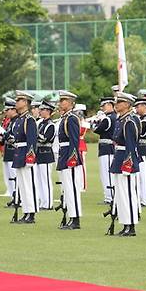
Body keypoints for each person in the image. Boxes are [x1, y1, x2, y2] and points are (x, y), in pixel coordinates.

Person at [109, 92, 141, 236]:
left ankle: (131, 225)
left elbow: (131, 144)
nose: (117, 105)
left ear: (127, 104)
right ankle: (125, 223)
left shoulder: (129, 120)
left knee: (128, 193)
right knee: (121, 194)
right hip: (119, 156)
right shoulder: (121, 119)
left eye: (120, 102)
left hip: (125, 159)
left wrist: (128, 164)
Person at [10, 91, 39, 224]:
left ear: (26, 102)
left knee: (29, 185)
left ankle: (31, 213)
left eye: (19, 100)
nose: (16, 103)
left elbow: (32, 140)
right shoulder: (20, 119)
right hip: (19, 153)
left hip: (26, 154)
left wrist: (30, 157)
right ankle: (26, 211)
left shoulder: (29, 119)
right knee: (22, 185)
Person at [57, 90, 84, 229]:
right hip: (64, 154)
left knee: (72, 188)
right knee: (67, 188)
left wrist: (72, 158)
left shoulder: (72, 118)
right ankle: (71, 217)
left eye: (64, 100)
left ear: (71, 103)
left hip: (69, 156)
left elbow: (74, 140)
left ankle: (75, 219)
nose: (61, 103)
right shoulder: (65, 118)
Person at [91, 97, 117, 205]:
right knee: (108, 173)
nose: (102, 108)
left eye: (104, 105)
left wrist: (95, 121)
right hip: (109, 148)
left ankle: (109, 197)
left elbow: (96, 129)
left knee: (107, 174)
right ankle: (110, 196)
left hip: (107, 148)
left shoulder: (108, 119)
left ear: (110, 105)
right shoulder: (115, 117)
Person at [36, 101, 56, 210]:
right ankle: (42, 202)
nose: (40, 111)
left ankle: (48, 203)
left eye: (42, 109)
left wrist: (34, 134)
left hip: (46, 154)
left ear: (48, 111)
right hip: (39, 154)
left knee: (46, 180)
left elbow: (45, 139)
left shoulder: (50, 125)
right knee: (39, 180)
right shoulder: (41, 123)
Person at [0, 98, 18, 203]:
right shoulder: (10, 122)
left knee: (14, 176)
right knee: (9, 176)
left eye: (8, 110)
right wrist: (1, 139)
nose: (6, 112)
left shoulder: (16, 121)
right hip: (8, 151)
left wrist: (4, 133)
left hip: (13, 151)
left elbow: (14, 136)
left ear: (14, 110)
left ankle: (16, 197)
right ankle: (12, 196)